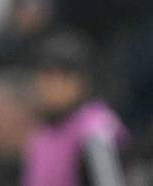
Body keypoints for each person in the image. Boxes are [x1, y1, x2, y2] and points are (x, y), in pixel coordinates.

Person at [23, 34, 128, 186]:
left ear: (82, 81)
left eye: (65, 77)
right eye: (47, 76)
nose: (55, 87)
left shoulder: (96, 130)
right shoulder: (40, 135)